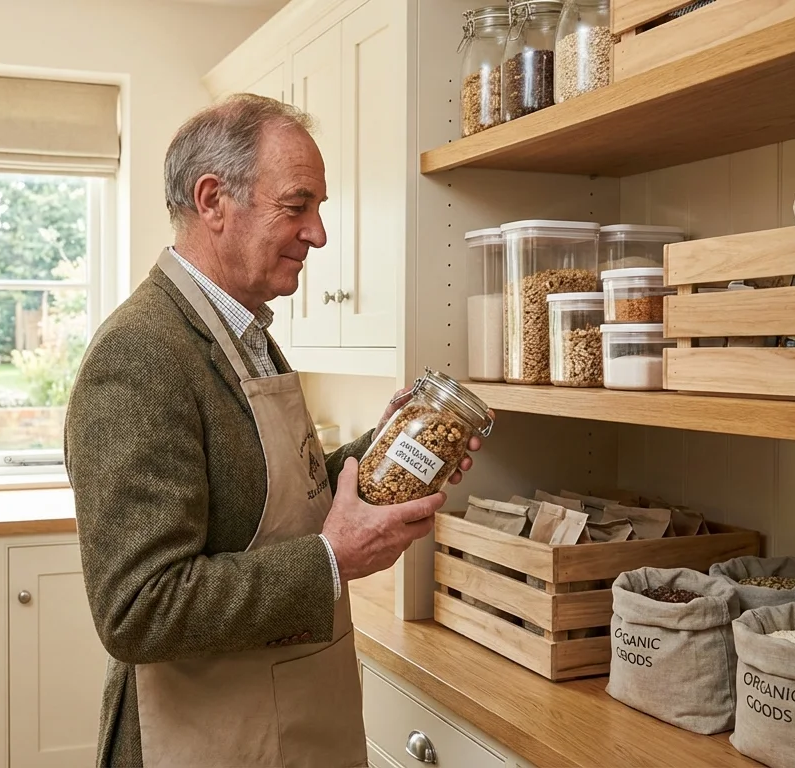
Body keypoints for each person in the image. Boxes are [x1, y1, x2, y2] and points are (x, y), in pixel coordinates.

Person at [64, 94, 484, 768]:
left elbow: (267, 488)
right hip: (200, 739)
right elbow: (138, 607)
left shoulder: (243, 332)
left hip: (288, 718)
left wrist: (389, 450)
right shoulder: (141, 353)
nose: (318, 234)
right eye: (298, 206)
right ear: (212, 201)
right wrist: (332, 559)